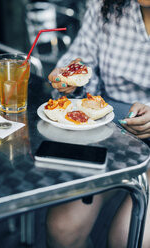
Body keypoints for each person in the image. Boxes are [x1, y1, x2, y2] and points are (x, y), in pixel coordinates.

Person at [46, 0, 150, 247]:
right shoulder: (105, 5)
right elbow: (82, 61)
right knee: (63, 228)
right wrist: (71, 79)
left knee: (127, 237)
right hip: (112, 134)